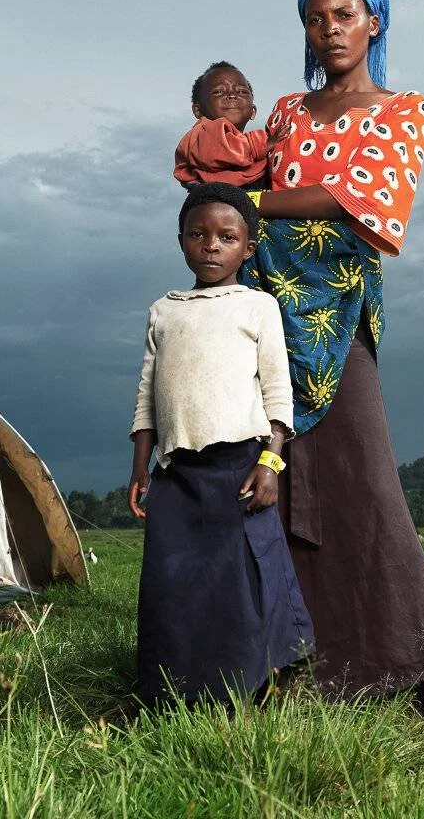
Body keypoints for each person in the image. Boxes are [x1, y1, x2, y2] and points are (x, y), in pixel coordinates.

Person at [242, 0, 424, 747]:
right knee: (286, 487)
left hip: (340, 319)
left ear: (374, 21)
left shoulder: (401, 111)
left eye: (344, 15)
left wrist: (251, 200)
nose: (329, 30)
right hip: (266, 314)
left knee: (369, 482)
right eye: (315, 19)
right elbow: (232, 188)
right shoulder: (284, 112)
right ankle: (302, 665)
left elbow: (364, 201)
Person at [127, 183, 313, 705]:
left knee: (241, 581)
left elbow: (278, 392)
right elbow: (147, 395)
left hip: (240, 466)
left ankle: (254, 687)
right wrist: (140, 465)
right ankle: (176, 692)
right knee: (172, 582)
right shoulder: (164, 310)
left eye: (227, 237)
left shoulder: (258, 306)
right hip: (176, 471)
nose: (211, 245)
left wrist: (270, 463)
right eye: (198, 234)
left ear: (247, 248)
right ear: (181, 241)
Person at [174, 62, 288, 190]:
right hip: (214, 194)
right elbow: (218, 151)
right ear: (198, 110)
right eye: (218, 91)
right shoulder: (202, 132)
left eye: (241, 91)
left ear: (253, 111)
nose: (232, 96)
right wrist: (265, 143)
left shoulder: (246, 149)